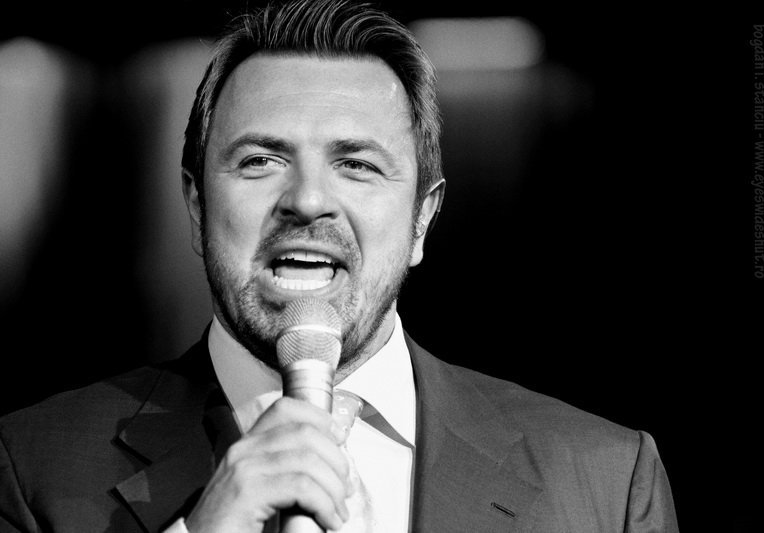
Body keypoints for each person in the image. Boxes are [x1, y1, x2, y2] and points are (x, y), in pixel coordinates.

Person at [0, 0, 679, 531]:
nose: (307, 200)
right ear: (196, 205)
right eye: (261, 160)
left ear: (421, 219)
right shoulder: (28, 466)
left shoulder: (607, 481)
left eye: (356, 164)